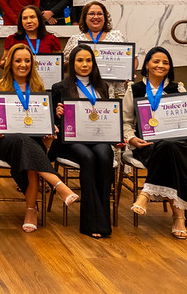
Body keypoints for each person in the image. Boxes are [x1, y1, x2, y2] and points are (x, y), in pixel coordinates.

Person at [122, 46, 187, 239]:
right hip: (146, 145)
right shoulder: (135, 89)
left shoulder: (177, 88)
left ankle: (146, 193)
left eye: (165, 62)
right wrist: (132, 138)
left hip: (177, 143)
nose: (160, 65)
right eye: (156, 61)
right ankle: (178, 216)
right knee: (168, 148)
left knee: (170, 145)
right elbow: (125, 122)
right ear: (146, 64)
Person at [0, 43, 78, 232]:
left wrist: (48, 127)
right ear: (10, 63)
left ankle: (31, 210)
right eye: (18, 60)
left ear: (33, 63)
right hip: (5, 141)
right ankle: (57, 184)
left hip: (30, 139)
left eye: (27, 60)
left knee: (29, 150)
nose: (23, 64)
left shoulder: (38, 86)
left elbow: (41, 116)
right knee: (23, 141)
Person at [50, 45, 115, 239]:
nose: (84, 64)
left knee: (104, 155)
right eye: (80, 60)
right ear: (72, 63)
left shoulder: (102, 86)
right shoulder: (59, 87)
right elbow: (52, 122)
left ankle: (103, 220)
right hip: (70, 140)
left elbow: (109, 115)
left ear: (93, 63)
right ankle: (90, 222)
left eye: (88, 60)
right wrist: (56, 113)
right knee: (87, 157)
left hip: (97, 137)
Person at [64, 1, 128, 97]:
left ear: (105, 17)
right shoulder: (75, 39)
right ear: (85, 17)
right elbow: (64, 66)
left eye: (99, 14)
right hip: (82, 89)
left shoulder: (117, 36)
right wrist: (78, 63)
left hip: (114, 89)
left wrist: (127, 72)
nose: (96, 17)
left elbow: (133, 60)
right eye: (91, 14)